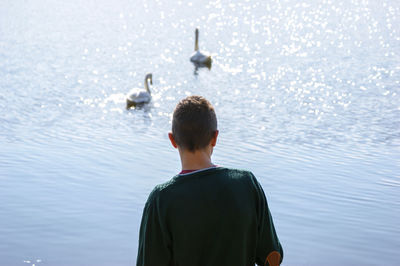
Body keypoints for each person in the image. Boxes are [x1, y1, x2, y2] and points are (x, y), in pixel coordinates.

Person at [136, 95, 283, 266]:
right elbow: (272, 257)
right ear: (215, 137)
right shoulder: (246, 184)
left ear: (173, 140)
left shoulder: (161, 200)